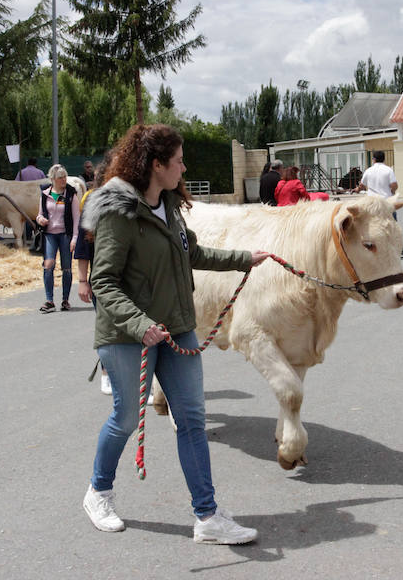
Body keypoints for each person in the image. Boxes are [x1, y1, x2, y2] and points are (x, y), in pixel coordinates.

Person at [79, 123, 267, 543]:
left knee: (192, 420)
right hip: (127, 334)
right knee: (125, 418)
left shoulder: (170, 206)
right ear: (156, 164)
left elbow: (193, 253)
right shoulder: (119, 213)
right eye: (179, 160)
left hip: (176, 329)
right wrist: (141, 325)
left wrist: (244, 259)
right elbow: (104, 281)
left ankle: (208, 517)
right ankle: (98, 492)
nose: (185, 167)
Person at [75, 153, 113, 394]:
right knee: (107, 329)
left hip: (132, 279)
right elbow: (83, 246)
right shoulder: (93, 202)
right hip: (103, 279)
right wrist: (82, 281)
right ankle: (107, 373)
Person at [36, 164, 79, 313]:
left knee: (66, 267)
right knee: (48, 265)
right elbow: (39, 214)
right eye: (60, 177)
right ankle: (49, 300)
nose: (63, 180)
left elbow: (76, 218)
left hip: (65, 235)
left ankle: (65, 300)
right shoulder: (45, 194)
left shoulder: (71, 194)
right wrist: (40, 219)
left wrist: (75, 238)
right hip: (50, 234)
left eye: (65, 177)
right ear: (53, 179)